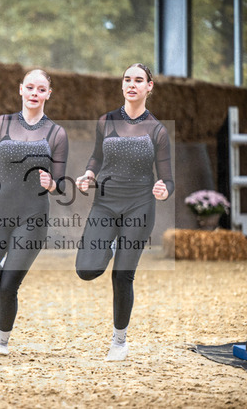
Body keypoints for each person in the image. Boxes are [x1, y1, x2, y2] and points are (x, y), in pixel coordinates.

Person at [0, 69, 69, 355]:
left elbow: (61, 183)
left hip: (32, 218)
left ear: (48, 94)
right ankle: (1, 264)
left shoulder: (57, 134)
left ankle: (1, 342)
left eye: (41, 89)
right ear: (20, 89)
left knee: (9, 285)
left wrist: (52, 184)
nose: (35, 93)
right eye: (30, 87)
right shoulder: (2, 124)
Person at [75, 63, 173, 361]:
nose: (132, 84)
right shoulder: (106, 121)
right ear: (122, 85)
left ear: (149, 87)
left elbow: (167, 178)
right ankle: (111, 245)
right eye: (127, 79)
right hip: (105, 204)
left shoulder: (157, 130)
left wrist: (164, 189)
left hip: (139, 206)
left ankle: (119, 342)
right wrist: (88, 174)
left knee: (122, 275)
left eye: (138, 80)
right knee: (86, 270)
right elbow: (96, 157)